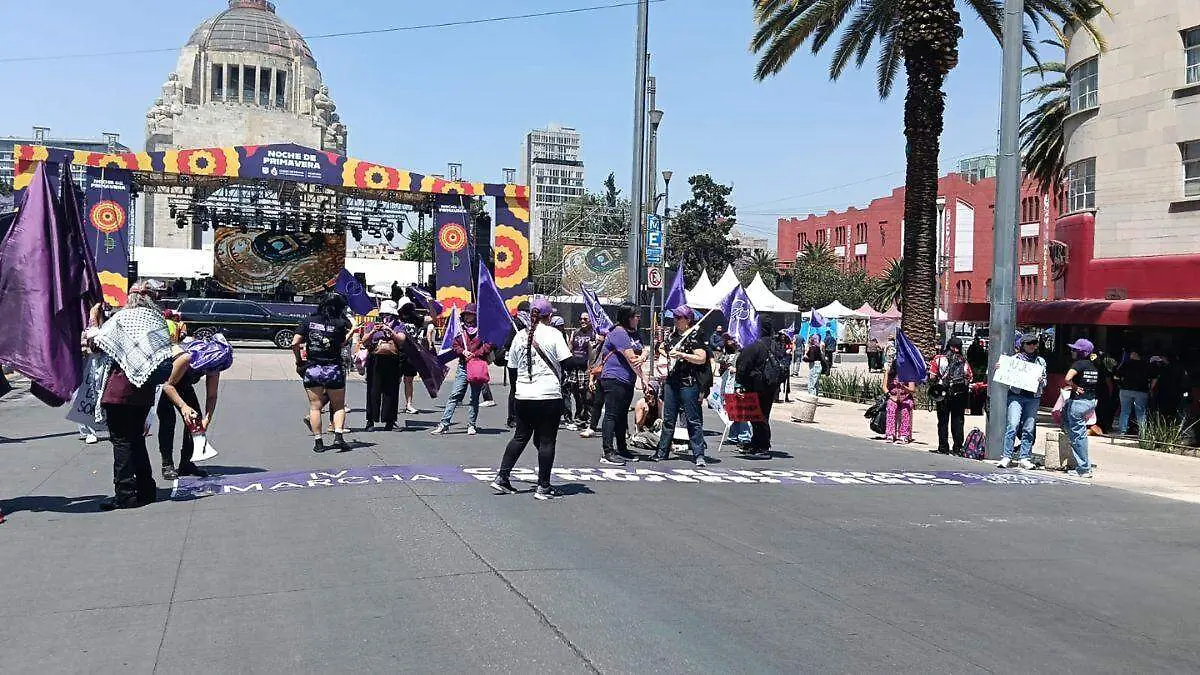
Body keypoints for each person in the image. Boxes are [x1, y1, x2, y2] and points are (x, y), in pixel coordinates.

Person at [89, 282, 173, 511]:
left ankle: (125, 494)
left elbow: (96, 343)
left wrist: (92, 320)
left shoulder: (122, 318)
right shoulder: (157, 321)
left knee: (121, 441)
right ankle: (147, 489)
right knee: (136, 439)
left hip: (120, 388)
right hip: (144, 390)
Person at [491, 298, 572, 500]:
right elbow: (568, 362)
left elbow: (512, 367)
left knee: (520, 436)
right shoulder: (554, 334)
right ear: (549, 316)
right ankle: (543, 486)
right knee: (546, 441)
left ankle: (502, 476)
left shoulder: (520, 336)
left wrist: (523, 385)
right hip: (548, 395)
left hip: (524, 396)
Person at [159, 335, 234, 478]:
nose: (212, 372)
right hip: (165, 383)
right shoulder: (186, 358)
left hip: (184, 385)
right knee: (168, 422)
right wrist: (183, 406)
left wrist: (206, 419)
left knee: (195, 421)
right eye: (210, 369)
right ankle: (167, 464)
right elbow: (168, 386)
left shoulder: (215, 365)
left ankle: (186, 463)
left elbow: (212, 396)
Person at [650, 305, 710, 465]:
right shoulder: (672, 336)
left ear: (687, 320)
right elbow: (662, 347)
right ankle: (661, 452)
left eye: (678, 318)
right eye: (674, 317)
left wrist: (682, 355)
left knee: (693, 419)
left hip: (688, 383)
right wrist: (668, 355)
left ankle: (699, 455)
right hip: (672, 382)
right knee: (668, 419)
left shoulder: (694, 336)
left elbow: (702, 358)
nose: (675, 321)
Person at [293, 292, 352, 453]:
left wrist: (299, 360)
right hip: (333, 368)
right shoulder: (340, 323)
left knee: (315, 407)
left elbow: (295, 342)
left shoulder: (309, 320)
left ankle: (318, 442)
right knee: (338, 405)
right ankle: (338, 436)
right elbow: (342, 343)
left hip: (313, 368)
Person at [598, 302, 648, 465]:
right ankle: (607, 451)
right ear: (627, 317)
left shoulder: (635, 333)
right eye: (635, 316)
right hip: (614, 378)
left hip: (628, 379)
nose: (638, 319)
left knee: (621, 415)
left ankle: (622, 447)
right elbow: (631, 358)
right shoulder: (618, 332)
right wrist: (644, 378)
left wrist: (644, 356)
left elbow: (644, 348)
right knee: (612, 414)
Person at [431, 303, 492, 435]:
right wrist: (463, 352)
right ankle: (444, 424)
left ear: (475, 316)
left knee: (474, 397)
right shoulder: (460, 329)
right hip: (463, 366)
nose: (467, 316)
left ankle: (471, 425)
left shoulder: (482, 330)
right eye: (466, 314)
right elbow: (454, 344)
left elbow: (488, 345)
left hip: (476, 365)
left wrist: (475, 354)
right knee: (455, 395)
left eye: (470, 314)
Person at [734, 317, 784, 460]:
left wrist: (739, 384)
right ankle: (757, 443)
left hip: (755, 385)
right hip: (771, 386)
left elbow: (743, 366)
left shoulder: (754, 346)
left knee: (756, 417)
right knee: (763, 415)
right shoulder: (775, 345)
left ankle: (762, 445)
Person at [998, 334, 1047, 469]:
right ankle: (1006, 456)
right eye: (1029, 343)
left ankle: (1024, 457)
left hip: (1033, 397)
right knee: (1012, 425)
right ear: (1022, 345)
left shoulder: (1040, 361)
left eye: (1034, 343)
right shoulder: (1014, 360)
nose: (1032, 346)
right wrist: (1001, 368)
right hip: (1016, 395)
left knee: (1029, 428)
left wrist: (1042, 381)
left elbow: (1045, 381)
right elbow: (1004, 376)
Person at [360, 299, 404, 431]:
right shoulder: (373, 324)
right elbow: (364, 340)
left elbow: (401, 340)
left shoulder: (399, 325)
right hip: (375, 359)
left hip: (393, 360)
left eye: (388, 314)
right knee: (373, 390)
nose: (385, 317)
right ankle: (370, 420)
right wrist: (373, 331)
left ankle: (389, 420)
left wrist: (390, 331)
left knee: (391, 390)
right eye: (383, 314)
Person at [928, 336, 973, 455]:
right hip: (959, 394)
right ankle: (957, 448)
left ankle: (943, 447)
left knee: (943, 421)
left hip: (943, 394)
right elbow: (969, 377)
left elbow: (932, 376)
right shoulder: (963, 360)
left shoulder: (938, 359)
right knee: (957, 421)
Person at [1062, 338, 1099, 477]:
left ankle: (1084, 468)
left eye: (1074, 350)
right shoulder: (1093, 365)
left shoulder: (1078, 364)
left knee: (1078, 436)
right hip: (1089, 402)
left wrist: (1074, 386)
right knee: (1074, 430)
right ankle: (1083, 465)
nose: (1072, 352)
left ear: (1080, 352)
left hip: (1078, 402)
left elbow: (1067, 378)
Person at [564, 313, 595, 430]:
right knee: (576, 394)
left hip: (586, 369)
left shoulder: (593, 333)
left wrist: (591, 369)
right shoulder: (575, 332)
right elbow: (570, 348)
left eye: (585, 319)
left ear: (590, 320)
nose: (582, 321)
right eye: (581, 318)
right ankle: (579, 417)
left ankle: (590, 420)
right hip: (574, 369)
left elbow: (594, 353)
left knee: (587, 395)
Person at [502, 301, 531, 427]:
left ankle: (522, 415)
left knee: (523, 388)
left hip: (523, 360)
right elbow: (507, 343)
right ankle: (512, 417)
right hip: (514, 361)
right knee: (515, 389)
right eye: (528, 311)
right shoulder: (515, 324)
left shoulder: (526, 324)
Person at [1114, 348, 1153, 436]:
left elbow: (1117, 375)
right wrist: (1151, 388)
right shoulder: (1146, 365)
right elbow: (1153, 377)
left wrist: (1120, 383)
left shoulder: (1126, 364)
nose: (1130, 355)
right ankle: (1142, 432)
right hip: (1141, 390)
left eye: (1131, 353)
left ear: (1135, 354)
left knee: (1124, 411)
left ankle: (1122, 431)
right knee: (1141, 412)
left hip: (1125, 389)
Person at [884, 358, 917, 444]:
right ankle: (890, 433)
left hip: (905, 397)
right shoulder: (889, 373)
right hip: (893, 396)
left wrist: (903, 387)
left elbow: (912, 389)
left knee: (905, 408)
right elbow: (884, 387)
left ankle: (904, 435)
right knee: (891, 407)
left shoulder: (909, 374)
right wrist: (891, 397)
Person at [775, 331, 794, 403]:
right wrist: (785, 352)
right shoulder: (777, 344)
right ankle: (776, 397)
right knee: (777, 382)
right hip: (778, 364)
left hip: (786, 364)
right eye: (782, 336)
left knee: (786, 382)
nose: (783, 337)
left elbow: (790, 353)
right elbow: (777, 353)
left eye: (784, 336)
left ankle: (786, 396)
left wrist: (790, 353)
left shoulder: (788, 343)